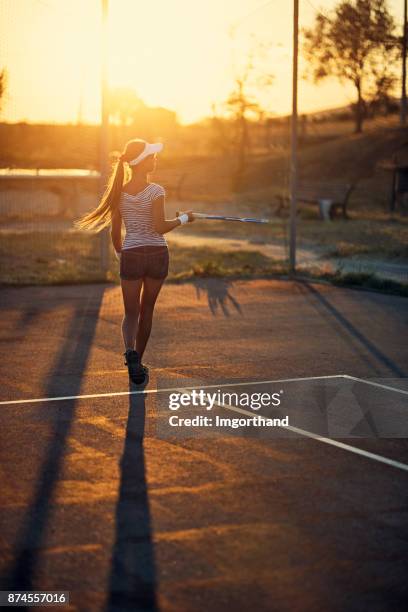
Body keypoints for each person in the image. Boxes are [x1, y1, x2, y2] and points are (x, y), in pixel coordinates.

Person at [76, 138, 194, 384]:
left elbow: (114, 232)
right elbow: (160, 227)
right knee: (146, 310)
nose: (155, 159)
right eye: (151, 156)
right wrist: (183, 219)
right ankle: (136, 363)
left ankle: (131, 354)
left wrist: (122, 254)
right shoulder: (156, 191)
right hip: (157, 255)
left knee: (131, 313)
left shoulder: (118, 192)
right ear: (142, 162)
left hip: (131, 254)